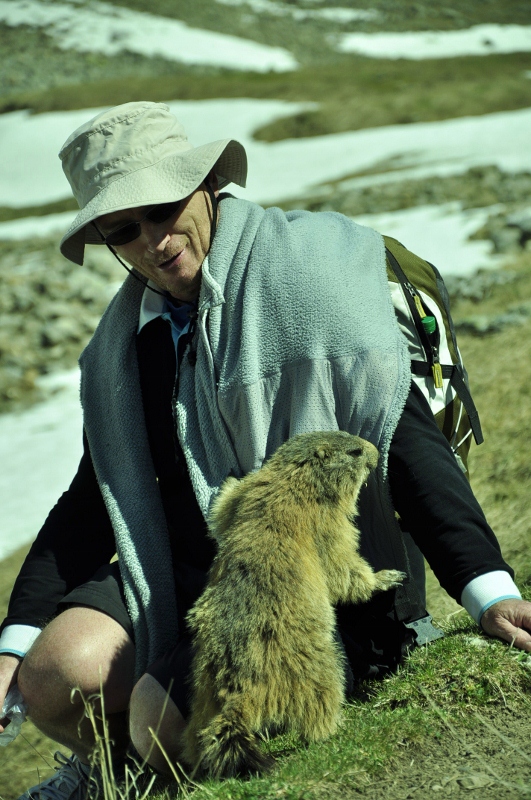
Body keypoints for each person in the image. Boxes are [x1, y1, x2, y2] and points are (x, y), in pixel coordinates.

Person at [1, 102, 530, 799]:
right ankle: (116, 777)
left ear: (208, 184)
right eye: (124, 230)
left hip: (303, 573)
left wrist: (487, 588)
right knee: (51, 677)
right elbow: (96, 490)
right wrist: (12, 644)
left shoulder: (308, 276)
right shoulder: (125, 341)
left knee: (158, 724)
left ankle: (179, 770)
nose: (155, 241)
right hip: (188, 566)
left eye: (164, 208)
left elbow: (394, 434)